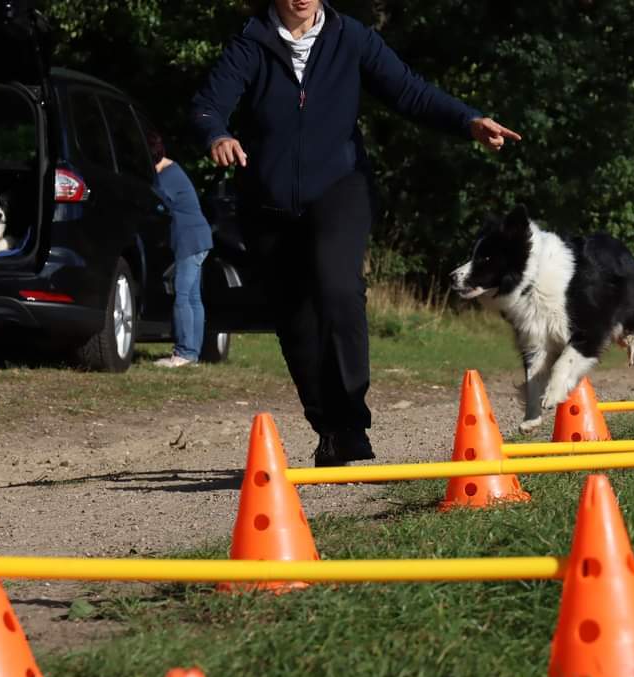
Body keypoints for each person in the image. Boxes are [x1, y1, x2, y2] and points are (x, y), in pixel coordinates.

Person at [190, 0, 520, 466]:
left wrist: (467, 120)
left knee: (338, 285)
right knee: (295, 318)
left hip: (339, 186)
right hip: (266, 200)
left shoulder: (351, 37)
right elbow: (208, 105)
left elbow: (410, 91)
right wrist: (217, 136)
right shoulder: (251, 42)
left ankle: (351, 421)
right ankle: (329, 429)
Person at [148, 131, 214, 368]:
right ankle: (192, 353)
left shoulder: (166, 177)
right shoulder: (174, 170)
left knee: (183, 295)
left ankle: (184, 353)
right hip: (199, 239)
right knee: (194, 297)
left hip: (190, 241)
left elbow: (154, 202)